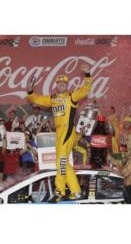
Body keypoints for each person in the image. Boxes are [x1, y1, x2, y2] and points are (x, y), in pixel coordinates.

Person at [27, 64, 92, 201]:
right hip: (59, 134)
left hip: (68, 133)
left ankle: (59, 190)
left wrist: (87, 75)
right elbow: (37, 99)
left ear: (67, 85)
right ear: (56, 85)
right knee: (62, 162)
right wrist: (30, 91)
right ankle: (76, 191)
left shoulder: (71, 97)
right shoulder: (53, 98)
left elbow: (86, 89)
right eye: (59, 83)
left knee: (60, 162)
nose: (61, 85)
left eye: (64, 83)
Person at [108, 132, 131, 204]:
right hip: (126, 189)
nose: (126, 142)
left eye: (128, 140)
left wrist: (117, 163)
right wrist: (112, 160)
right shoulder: (128, 155)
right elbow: (121, 170)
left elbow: (125, 173)